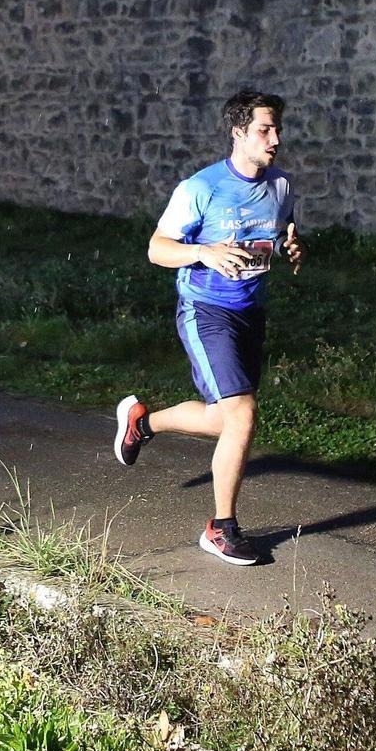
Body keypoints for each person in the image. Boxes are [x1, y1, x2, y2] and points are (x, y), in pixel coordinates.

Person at [112, 89, 305, 566]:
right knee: (242, 415)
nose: (275, 139)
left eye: (277, 128)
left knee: (225, 420)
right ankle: (221, 529)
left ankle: (144, 422)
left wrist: (292, 248)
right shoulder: (200, 188)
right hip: (205, 310)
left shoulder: (281, 186)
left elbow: (278, 234)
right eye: (264, 129)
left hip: (250, 312)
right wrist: (205, 252)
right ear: (238, 132)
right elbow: (157, 248)